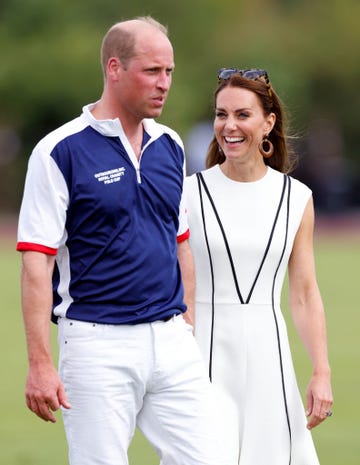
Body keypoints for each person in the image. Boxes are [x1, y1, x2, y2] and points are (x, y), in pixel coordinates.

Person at [17, 17, 231, 465]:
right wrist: (40, 364)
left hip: (171, 341)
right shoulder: (59, 151)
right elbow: (37, 263)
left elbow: (181, 244)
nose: (164, 84)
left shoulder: (170, 145)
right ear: (114, 69)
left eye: (169, 72)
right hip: (97, 344)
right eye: (152, 71)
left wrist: (186, 328)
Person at [185, 68, 333, 465]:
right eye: (221, 114)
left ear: (268, 123)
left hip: (271, 361)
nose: (229, 126)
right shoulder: (187, 194)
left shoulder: (296, 198)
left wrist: (321, 371)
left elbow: (303, 293)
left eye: (242, 115)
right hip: (201, 361)